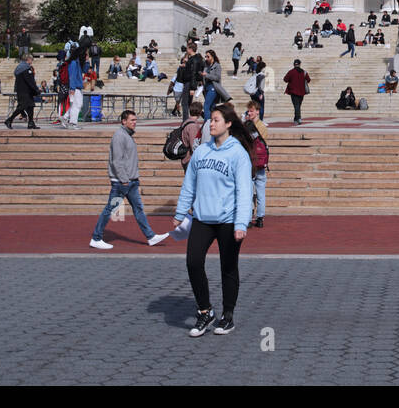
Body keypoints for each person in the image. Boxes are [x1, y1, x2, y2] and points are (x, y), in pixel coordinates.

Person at [172, 102, 254, 337]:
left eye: (217, 119)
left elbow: (244, 191)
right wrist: (180, 213)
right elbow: (190, 185)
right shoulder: (202, 151)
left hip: (228, 220)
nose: (212, 123)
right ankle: (205, 311)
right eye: (210, 119)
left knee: (228, 267)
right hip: (202, 218)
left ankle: (227, 316)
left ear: (228, 124)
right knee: (193, 262)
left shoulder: (238, 153)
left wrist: (241, 224)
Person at [90, 110, 170, 250]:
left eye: (135, 120)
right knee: (110, 210)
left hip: (131, 182)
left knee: (138, 209)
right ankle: (96, 238)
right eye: (132, 120)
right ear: (124, 121)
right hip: (121, 183)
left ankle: (150, 236)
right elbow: (117, 161)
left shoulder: (127, 135)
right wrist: (124, 180)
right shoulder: (119, 136)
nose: (135, 122)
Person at [243, 100, 269, 229]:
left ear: (258, 111)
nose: (250, 113)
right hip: (260, 163)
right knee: (261, 192)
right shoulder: (263, 127)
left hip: (250, 163)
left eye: (252, 111)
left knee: (248, 192)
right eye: (249, 111)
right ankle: (260, 218)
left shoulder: (247, 126)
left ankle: (248, 218)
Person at [283, 59, 309, 125]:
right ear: (300, 64)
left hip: (293, 91)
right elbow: (308, 80)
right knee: (298, 106)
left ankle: (298, 118)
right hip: (302, 92)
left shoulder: (291, 72)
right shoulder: (304, 72)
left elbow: (285, 79)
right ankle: (296, 119)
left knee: (296, 106)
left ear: (294, 64)